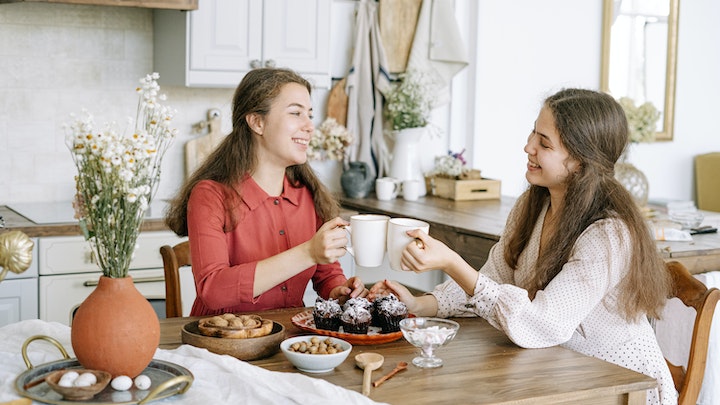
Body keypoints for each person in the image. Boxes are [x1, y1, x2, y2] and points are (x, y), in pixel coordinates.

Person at [371, 88, 677, 404]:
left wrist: (451, 262)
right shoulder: (533, 207)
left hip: (618, 388)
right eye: (533, 132)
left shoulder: (608, 236)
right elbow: (493, 281)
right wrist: (420, 305)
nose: (528, 147)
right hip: (557, 375)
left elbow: (541, 325)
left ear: (581, 162)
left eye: (544, 143)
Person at [165, 67, 367, 316]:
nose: (310, 126)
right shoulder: (210, 195)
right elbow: (213, 289)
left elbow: (327, 275)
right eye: (296, 113)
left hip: (289, 345)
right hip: (220, 346)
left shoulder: (308, 196)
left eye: (310, 115)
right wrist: (307, 252)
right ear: (257, 122)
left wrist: (340, 290)